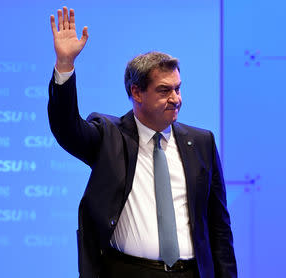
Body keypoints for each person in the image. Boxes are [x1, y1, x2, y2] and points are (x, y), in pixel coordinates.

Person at [48, 6, 237, 278]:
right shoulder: (109, 136)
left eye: (178, 88)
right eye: (164, 90)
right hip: (129, 271)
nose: (176, 99)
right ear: (136, 92)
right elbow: (66, 128)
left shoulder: (202, 142)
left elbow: (219, 225)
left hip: (192, 272)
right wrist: (65, 65)